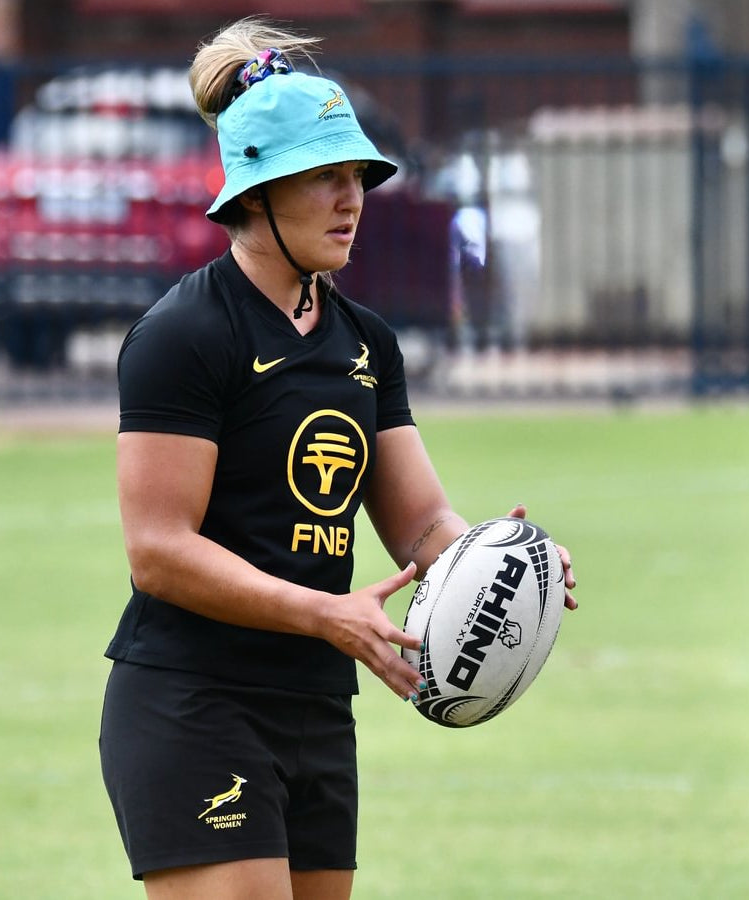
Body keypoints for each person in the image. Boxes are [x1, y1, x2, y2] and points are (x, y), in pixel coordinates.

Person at [99, 17, 577, 900]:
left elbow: (421, 523)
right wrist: (326, 611)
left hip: (316, 707)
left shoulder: (368, 342)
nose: (351, 197)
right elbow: (158, 550)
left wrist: (502, 566)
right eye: (322, 177)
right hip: (194, 702)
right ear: (254, 193)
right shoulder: (182, 336)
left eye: (357, 174)